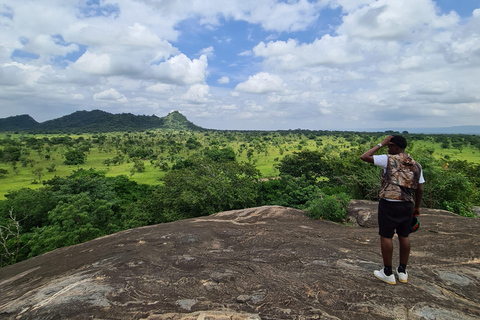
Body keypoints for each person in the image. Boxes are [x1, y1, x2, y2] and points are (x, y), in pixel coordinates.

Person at [360, 135, 424, 285]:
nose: (388, 149)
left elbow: (365, 156)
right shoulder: (416, 165)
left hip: (389, 203)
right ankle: (402, 271)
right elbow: (420, 188)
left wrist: (380, 144)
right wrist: (417, 206)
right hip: (407, 204)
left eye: (390, 146)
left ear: (395, 147)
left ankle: (388, 272)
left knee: (386, 236)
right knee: (404, 236)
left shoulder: (388, 159)